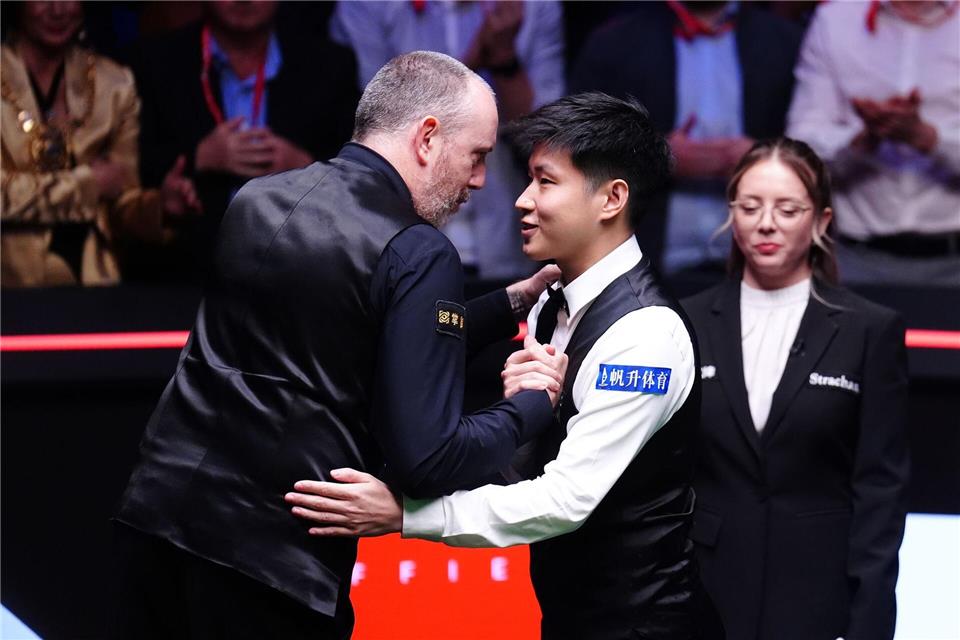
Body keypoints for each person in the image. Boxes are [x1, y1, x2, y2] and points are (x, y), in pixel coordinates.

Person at [112, 51, 567, 639]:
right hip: (270, 566)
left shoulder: (256, 197)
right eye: (477, 156)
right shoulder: (418, 250)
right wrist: (532, 405)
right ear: (427, 137)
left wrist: (505, 305)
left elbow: (345, 324)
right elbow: (427, 459)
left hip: (156, 521)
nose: (481, 180)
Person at [286, 92, 724, 640]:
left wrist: (404, 514)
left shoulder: (645, 335)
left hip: (647, 622)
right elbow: (523, 464)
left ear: (611, 198)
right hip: (570, 613)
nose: (520, 200)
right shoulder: (549, 301)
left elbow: (564, 500)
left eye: (546, 181)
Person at [680, 138, 909, 639]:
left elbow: (880, 494)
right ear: (731, 214)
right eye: (750, 206)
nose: (767, 223)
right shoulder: (683, 324)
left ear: (822, 221)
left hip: (817, 596)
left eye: (787, 209)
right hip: (704, 594)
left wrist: (869, 625)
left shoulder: (868, 330)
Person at [331, 0, 565, 280]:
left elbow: (544, 136)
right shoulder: (369, 5)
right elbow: (380, 119)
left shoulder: (534, 5)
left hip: (504, 232)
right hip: (400, 236)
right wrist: (475, 57)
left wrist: (504, 57)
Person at [130, 0, 360, 282]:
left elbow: (362, 176)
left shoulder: (329, 65)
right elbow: (132, 169)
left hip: (304, 274)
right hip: (187, 277)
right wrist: (198, 158)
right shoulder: (156, 61)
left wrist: (308, 168)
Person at [569, 1, 802, 279]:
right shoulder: (614, 41)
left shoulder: (785, 41)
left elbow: (815, 147)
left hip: (758, 266)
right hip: (645, 265)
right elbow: (573, 150)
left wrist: (763, 158)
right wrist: (653, 156)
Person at [1, 0, 200, 287]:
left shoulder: (115, 84)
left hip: (94, 293)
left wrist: (161, 208)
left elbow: (121, 206)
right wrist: (89, 185)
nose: (58, 10)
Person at [786, 0, 960, 287]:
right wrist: (863, 140)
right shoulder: (836, 20)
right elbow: (799, 151)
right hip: (858, 260)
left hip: (954, 263)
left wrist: (927, 138)